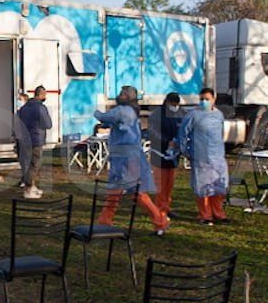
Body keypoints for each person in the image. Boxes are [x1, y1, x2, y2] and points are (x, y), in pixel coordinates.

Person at [93, 85, 169, 235]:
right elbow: (113, 122)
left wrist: (93, 109)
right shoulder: (131, 111)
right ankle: (160, 221)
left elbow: (103, 117)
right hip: (132, 157)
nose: (119, 95)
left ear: (128, 97)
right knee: (138, 193)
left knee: (114, 192)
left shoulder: (122, 111)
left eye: (122, 93)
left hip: (124, 159)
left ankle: (104, 223)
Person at [173, 87, 230, 225]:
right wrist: (185, 151)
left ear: (213, 99)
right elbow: (182, 134)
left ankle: (218, 213)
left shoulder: (219, 115)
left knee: (219, 187)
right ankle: (205, 215)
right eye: (202, 99)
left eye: (207, 99)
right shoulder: (193, 115)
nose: (204, 102)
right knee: (202, 188)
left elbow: (220, 134)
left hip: (217, 157)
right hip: (200, 157)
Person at [149, 92, 183, 217]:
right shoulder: (157, 114)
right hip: (159, 154)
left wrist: (177, 142)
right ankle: (159, 208)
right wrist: (166, 141)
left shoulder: (178, 114)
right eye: (173, 104)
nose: (175, 106)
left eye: (177, 104)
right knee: (160, 184)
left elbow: (181, 129)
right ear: (167, 102)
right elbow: (153, 131)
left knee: (169, 184)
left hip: (173, 155)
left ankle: (166, 207)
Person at [18, 86, 53, 198]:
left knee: (27, 164)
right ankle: (28, 189)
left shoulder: (24, 108)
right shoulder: (40, 108)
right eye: (45, 95)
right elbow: (48, 124)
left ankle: (31, 186)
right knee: (34, 164)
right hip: (36, 140)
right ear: (41, 95)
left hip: (24, 139)